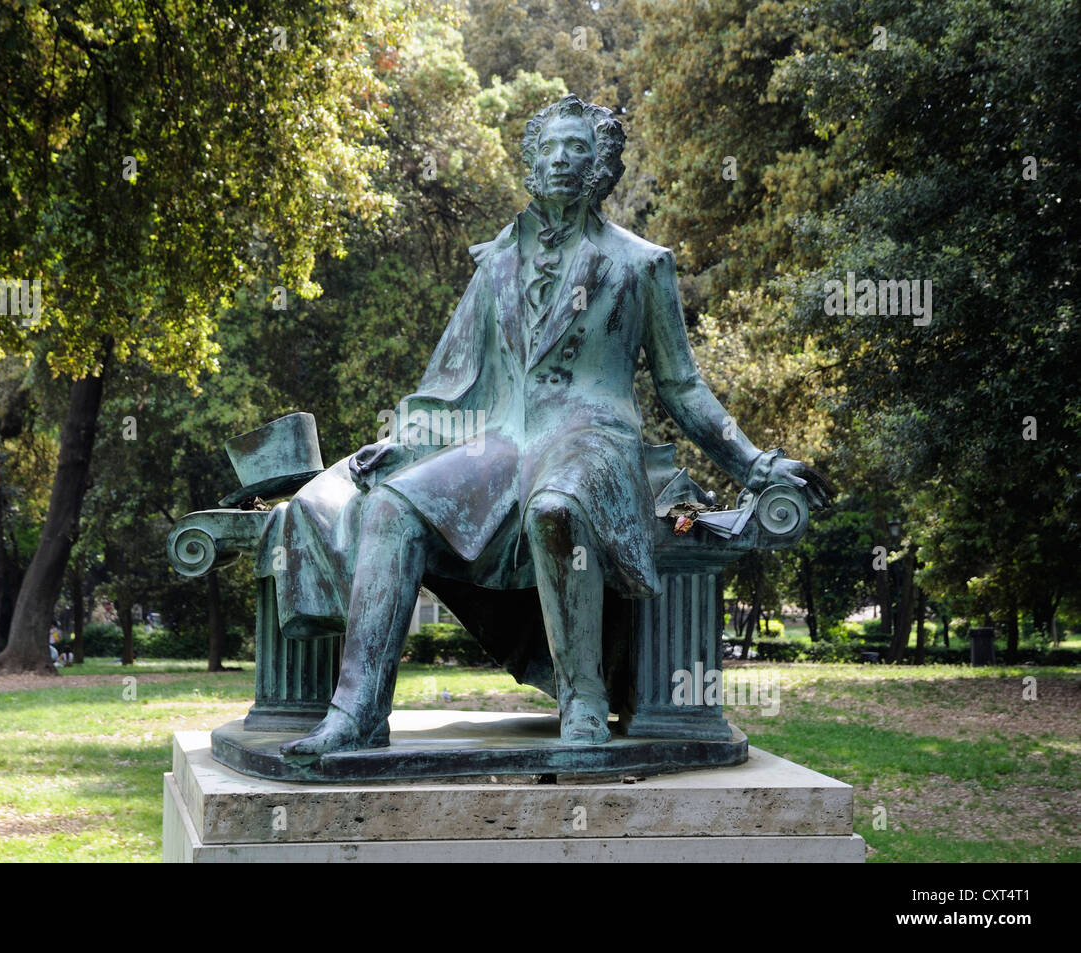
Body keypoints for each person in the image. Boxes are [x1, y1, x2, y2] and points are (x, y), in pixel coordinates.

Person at [269, 95, 829, 756]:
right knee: (391, 506)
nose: (563, 160)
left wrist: (754, 463)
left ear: (602, 167)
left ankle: (584, 699)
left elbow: (682, 385)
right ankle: (356, 710)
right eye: (551, 149)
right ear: (533, 164)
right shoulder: (496, 263)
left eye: (578, 148)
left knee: (557, 510)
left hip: (593, 437)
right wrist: (402, 442)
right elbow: (450, 376)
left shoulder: (642, 264)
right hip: (504, 441)